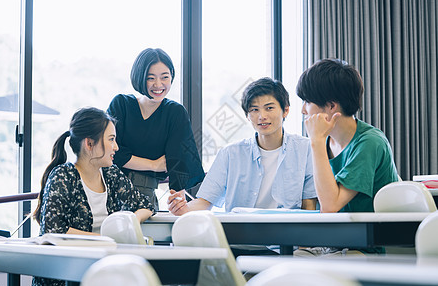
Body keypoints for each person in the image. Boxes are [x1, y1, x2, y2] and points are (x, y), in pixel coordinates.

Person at [32, 107, 154, 286]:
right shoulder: (63, 176)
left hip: (105, 272)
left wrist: (131, 221)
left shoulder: (111, 173)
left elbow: (146, 205)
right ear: (89, 144)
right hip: (67, 276)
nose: (116, 147)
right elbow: (54, 232)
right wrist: (107, 238)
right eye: (111, 140)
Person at [168, 77, 317, 216]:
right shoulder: (230, 154)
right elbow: (205, 202)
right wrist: (183, 208)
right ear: (247, 115)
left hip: (287, 240)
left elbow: (309, 205)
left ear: (285, 110)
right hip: (241, 238)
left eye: (269, 108)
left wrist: (304, 245)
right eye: (254, 110)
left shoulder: (306, 149)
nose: (261, 116)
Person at [294, 58, 398, 256]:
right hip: (335, 244)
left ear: (332, 106)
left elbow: (330, 206)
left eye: (307, 102)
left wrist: (315, 141)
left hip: (367, 248)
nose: (303, 110)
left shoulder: (369, 142)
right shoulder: (326, 141)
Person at [107, 48, 205, 210]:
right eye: (150, 78)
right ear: (139, 77)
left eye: (165, 77)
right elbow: (108, 152)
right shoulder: (121, 105)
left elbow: (178, 161)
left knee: (140, 235)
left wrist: (178, 202)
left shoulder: (175, 112)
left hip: (144, 193)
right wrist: (153, 165)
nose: (158, 85)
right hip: (107, 188)